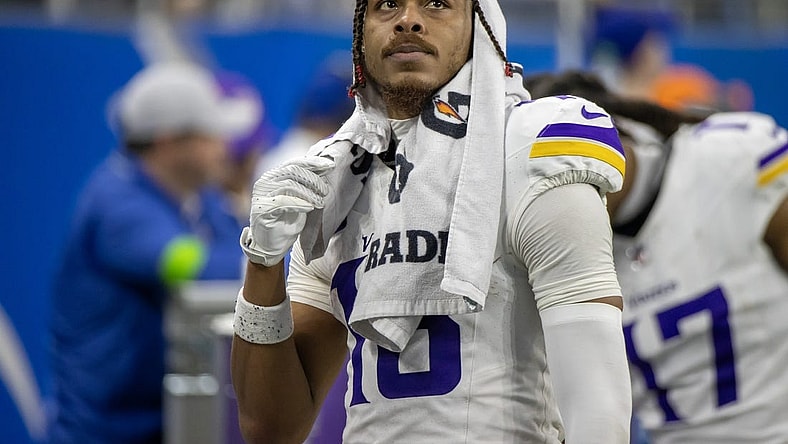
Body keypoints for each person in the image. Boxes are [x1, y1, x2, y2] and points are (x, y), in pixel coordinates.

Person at [231, 1, 632, 443]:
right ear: (361, 34)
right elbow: (270, 429)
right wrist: (263, 261)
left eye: (437, 3)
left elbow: (599, 405)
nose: (408, 19)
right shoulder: (339, 177)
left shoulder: (524, 147)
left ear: (481, 27)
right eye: (387, 4)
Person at [525, 70, 788, 443]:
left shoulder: (729, 159)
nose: (556, 192)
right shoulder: (548, 249)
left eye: (559, 166)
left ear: (610, 132)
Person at [49, 62, 249, 443]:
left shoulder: (202, 199)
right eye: (210, 135)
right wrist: (281, 268)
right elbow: (195, 267)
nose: (224, 146)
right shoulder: (115, 204)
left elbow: (246, 247)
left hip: (164, 424)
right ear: (167, 142)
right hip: (103, 432)